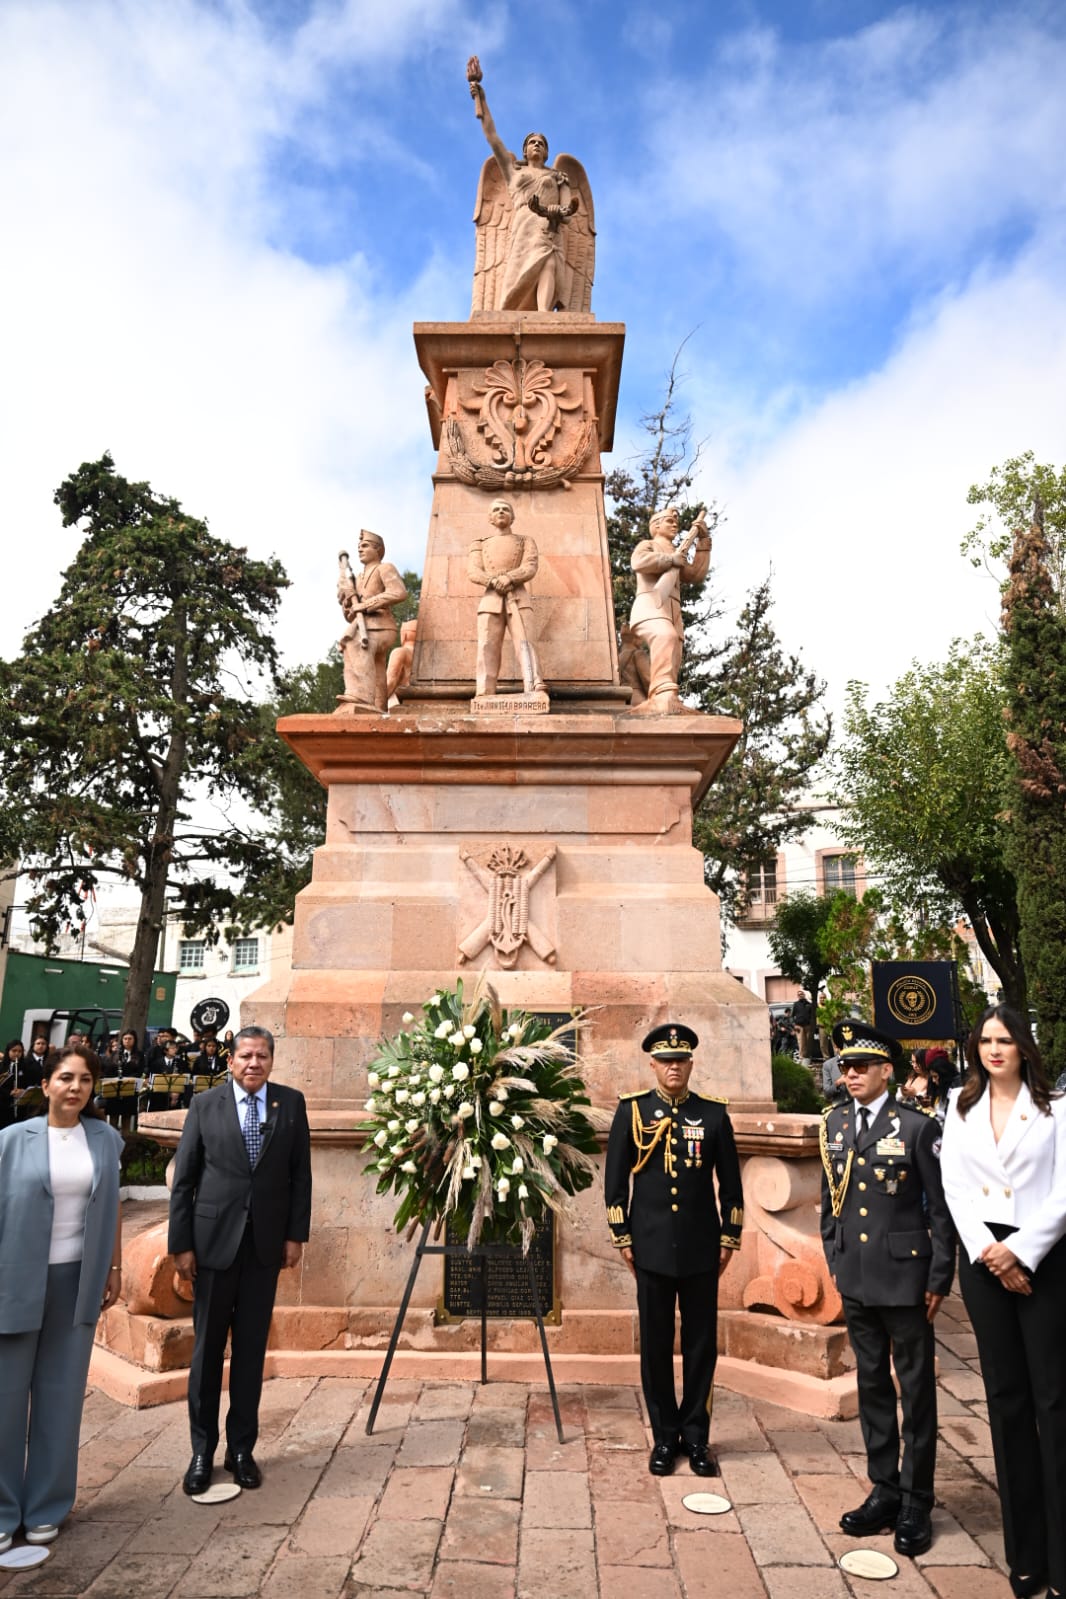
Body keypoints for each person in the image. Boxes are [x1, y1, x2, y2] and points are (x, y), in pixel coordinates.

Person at [939, 1005, 1066, 1599]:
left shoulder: (1056, 1110)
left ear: (1023, 1047)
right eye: (986, 1039)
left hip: (1044, 1257)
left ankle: (1063, 1560)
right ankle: (1025, 1557)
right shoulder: (959, 1108)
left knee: (1054, 1404)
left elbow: (1065, 1192)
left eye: (1006, 1039)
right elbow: (954, 1186)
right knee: (1006, 1405)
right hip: (984, 1260)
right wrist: (992, 1253)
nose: (995, 1049)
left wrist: (1024, 1252)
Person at [820, 1019, 954, 1558]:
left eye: (860, 1067)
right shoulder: (833, 1123)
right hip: (855, 1275)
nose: (849, 1074)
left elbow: (942, 1212)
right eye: (845, 1066)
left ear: (886, 1072)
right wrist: (834, 1252)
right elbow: (831, 1200)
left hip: (906, 1278)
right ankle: (885, 1487)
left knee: (916, 1390)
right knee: (872, 1385)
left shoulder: (917, 1127)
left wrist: (940, 1276)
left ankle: (917, 1496)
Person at [169, 1025, 312, 1495]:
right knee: (208, 1351)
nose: (254, 1063)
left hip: (264, 1247)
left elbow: (300, 1177)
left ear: (272, 1061)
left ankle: (241, 1450)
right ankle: (200, 1452)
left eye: (263, 1056)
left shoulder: (289, 1104)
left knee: (250, 1352)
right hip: (212, 1246)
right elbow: (185, 1181)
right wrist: (181, 1245)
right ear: (230, 1061)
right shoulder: (205, 1106)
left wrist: (295, 1236)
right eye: (246, 1055)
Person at [605, 1023, 743, 1478]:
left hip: (703, 1250)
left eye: (681, 1060)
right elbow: (614, 1185)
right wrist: (623, 1237)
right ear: (653, 1065)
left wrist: (729, 1237)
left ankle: (697, 1437)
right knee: (657, 1347)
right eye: (666, 1061)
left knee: (702, 1347)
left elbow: (732, 1187)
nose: (674, 1067)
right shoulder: (632, 1112)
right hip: (651, 1250)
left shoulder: (713, 1115)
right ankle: (665, 1436)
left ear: (690, 1064)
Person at [0, 1044, 123, 1551]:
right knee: (6, 1400)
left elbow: (112, 1205)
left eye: (86, 1080)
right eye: (66, 1078)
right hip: (14, 1281)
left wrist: (113, 1267)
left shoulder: (105, 1139)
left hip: (77, 1281)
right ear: (46, 1084)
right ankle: (5, 1511)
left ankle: (48, 1504)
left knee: (60, 1395)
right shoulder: (10, 1141)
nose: (76, 1088)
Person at [467, 499, 545, 699]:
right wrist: (493, 580)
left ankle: (534, 683)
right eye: (496, 509)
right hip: (490, 600)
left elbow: (530, 566)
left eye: (505, 509)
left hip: (518, 597)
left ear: (513, 517)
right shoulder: (479, 544)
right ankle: (484, 690)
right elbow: (473, 571)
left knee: (526, 642)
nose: (501, 511)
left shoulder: (525, 541)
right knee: (487, 645)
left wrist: (509, 577)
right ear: (490, 518)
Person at [337, 532, 408, 712]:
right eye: (359, 546)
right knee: (377, 669)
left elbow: (399, 592)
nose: (360, 548)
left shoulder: (384, 568)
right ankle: (379, 707)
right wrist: (346, 602)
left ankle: (360, 695)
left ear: (378, 550)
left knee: (356, 645)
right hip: (363, 626)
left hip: (382, 625)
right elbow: (350, 615)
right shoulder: (357, 579)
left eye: (366, 545)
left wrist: (366, 604)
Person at [791, 988, 815, 1064]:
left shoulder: (809, 1004)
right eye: (799, 994)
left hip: (808, 1026)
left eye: (802, 994)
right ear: (797, 996)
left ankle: (808, 1058)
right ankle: (802, 1058)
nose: (800, 995)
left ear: (804, 995)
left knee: (808, 1043)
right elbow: (792, 1016)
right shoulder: (795, 1004)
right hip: (799, 1026)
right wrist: (794, 1025)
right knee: (801, 1043)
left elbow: (813, 1016)